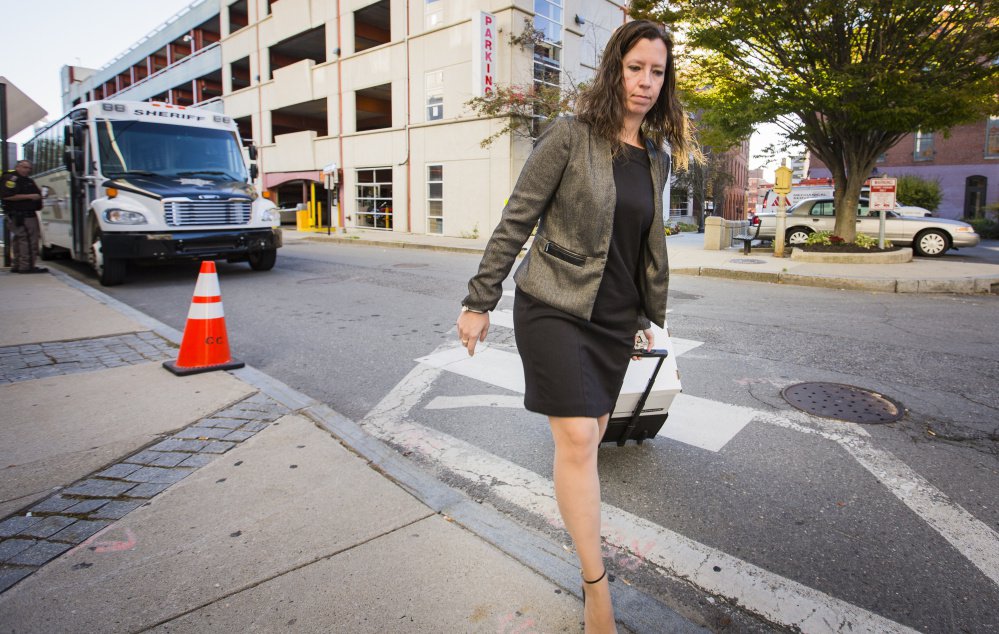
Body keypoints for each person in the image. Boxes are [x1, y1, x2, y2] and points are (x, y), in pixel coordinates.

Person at [456, 20, 692, 633]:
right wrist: (479, 301)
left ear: (665, 83)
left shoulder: (657, 160)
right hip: (554, 305)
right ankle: (597, 587)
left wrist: (644, 317)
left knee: (592, 435)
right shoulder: (569, 136)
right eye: (635, 67)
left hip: (614, 321)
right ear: (615, 68)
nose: (645, 81)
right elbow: (516, 221)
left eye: (657, 72)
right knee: (581, 442)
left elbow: (638, 244)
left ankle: (589, 568)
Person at [1, 160, 47, 274]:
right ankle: (27, 266)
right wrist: (30, 196)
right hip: (21, 215)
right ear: (17, 167)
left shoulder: (26, 180)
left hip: (24, 214)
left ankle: (18, 265)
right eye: (24, 167)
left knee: (20, 240)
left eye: (29, 168)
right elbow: (7, 196)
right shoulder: (12, 179)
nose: (27, 170)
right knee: (28, 241)